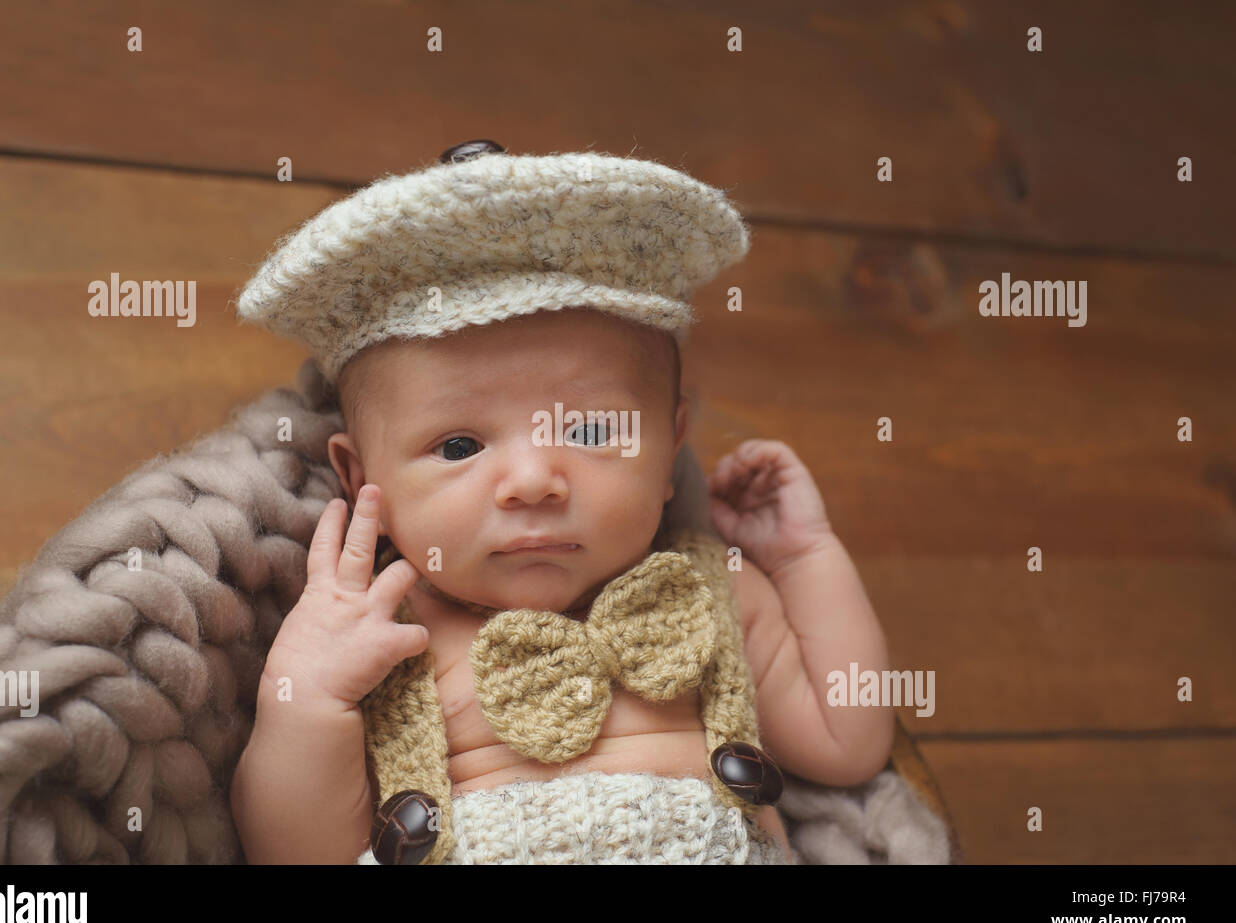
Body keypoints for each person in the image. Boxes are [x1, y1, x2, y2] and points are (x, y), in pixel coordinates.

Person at [228, 142, 893, 864]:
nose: (533, 479)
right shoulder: (381, 635)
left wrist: (803, 557)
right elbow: (295, 854)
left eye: (592, 430)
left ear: (671, 450)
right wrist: (307, 696)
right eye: (459, 447)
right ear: (362, 482)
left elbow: (848, 742)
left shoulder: (712, 587)